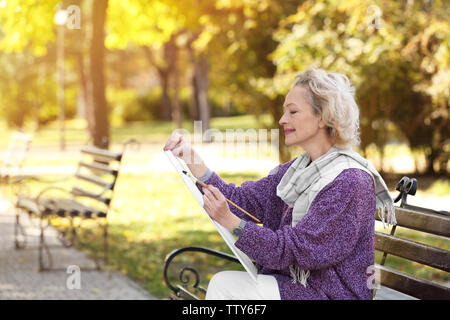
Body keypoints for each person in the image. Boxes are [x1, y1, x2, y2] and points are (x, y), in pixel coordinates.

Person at [163, 67, 395, 300]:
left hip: (331, 294)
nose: (282, 120)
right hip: (295, 286)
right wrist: (191, 160)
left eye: (293, 112)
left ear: (323, 117)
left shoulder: (350, 181)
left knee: (227, 288)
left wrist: (231, 222)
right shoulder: (296, 171)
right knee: (224, 284)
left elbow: (298, 250)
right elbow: (243, 202)